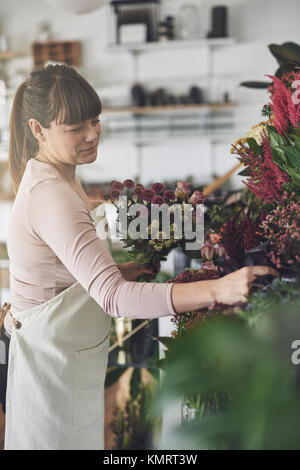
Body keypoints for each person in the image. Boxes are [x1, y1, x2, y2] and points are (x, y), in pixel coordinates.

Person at [1, 64, 278, 450]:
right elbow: (113, 297)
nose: (92, 134)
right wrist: (220, 289)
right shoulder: (51, 194)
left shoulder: (62, 175)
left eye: (95, 121)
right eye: (75, 128)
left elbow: (67, 277)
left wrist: (128, 269)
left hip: (66, 367)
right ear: (38, 130)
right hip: (53, 378)